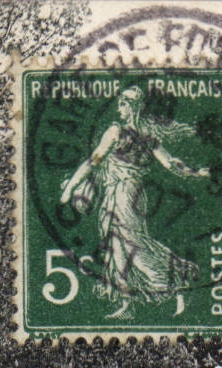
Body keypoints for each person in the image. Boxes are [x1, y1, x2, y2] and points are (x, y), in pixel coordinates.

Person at [58, 84, 208, 320]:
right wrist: (195, 172)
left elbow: (92, 162)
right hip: (131, 195)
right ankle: (128, 304)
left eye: (123, 104)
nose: (119, 108)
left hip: (124, 195)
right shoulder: (149, 138)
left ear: (133, 107)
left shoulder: (116, 132)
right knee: (118, 247)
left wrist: (69, 188)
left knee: (131, 245)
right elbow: (173, 165)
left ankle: (176, 282)